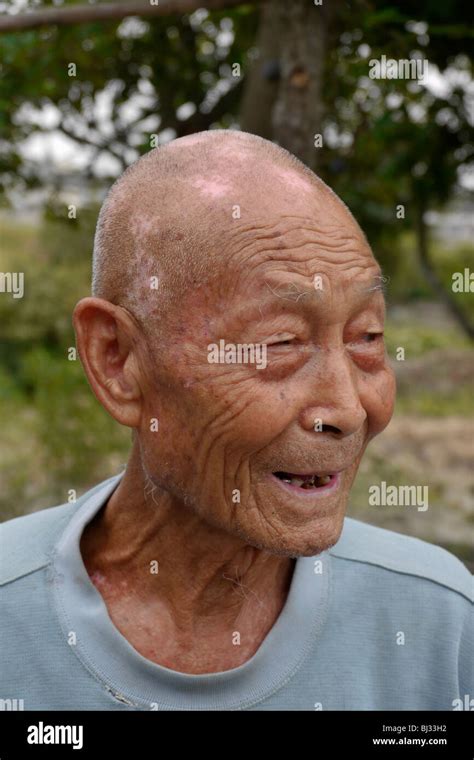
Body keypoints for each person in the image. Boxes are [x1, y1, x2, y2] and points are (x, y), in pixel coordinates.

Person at [1, 131, 471, 711]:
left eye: (367, 337)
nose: (349, 409)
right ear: (116, 360)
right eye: (280, 344)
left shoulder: (439, 621)